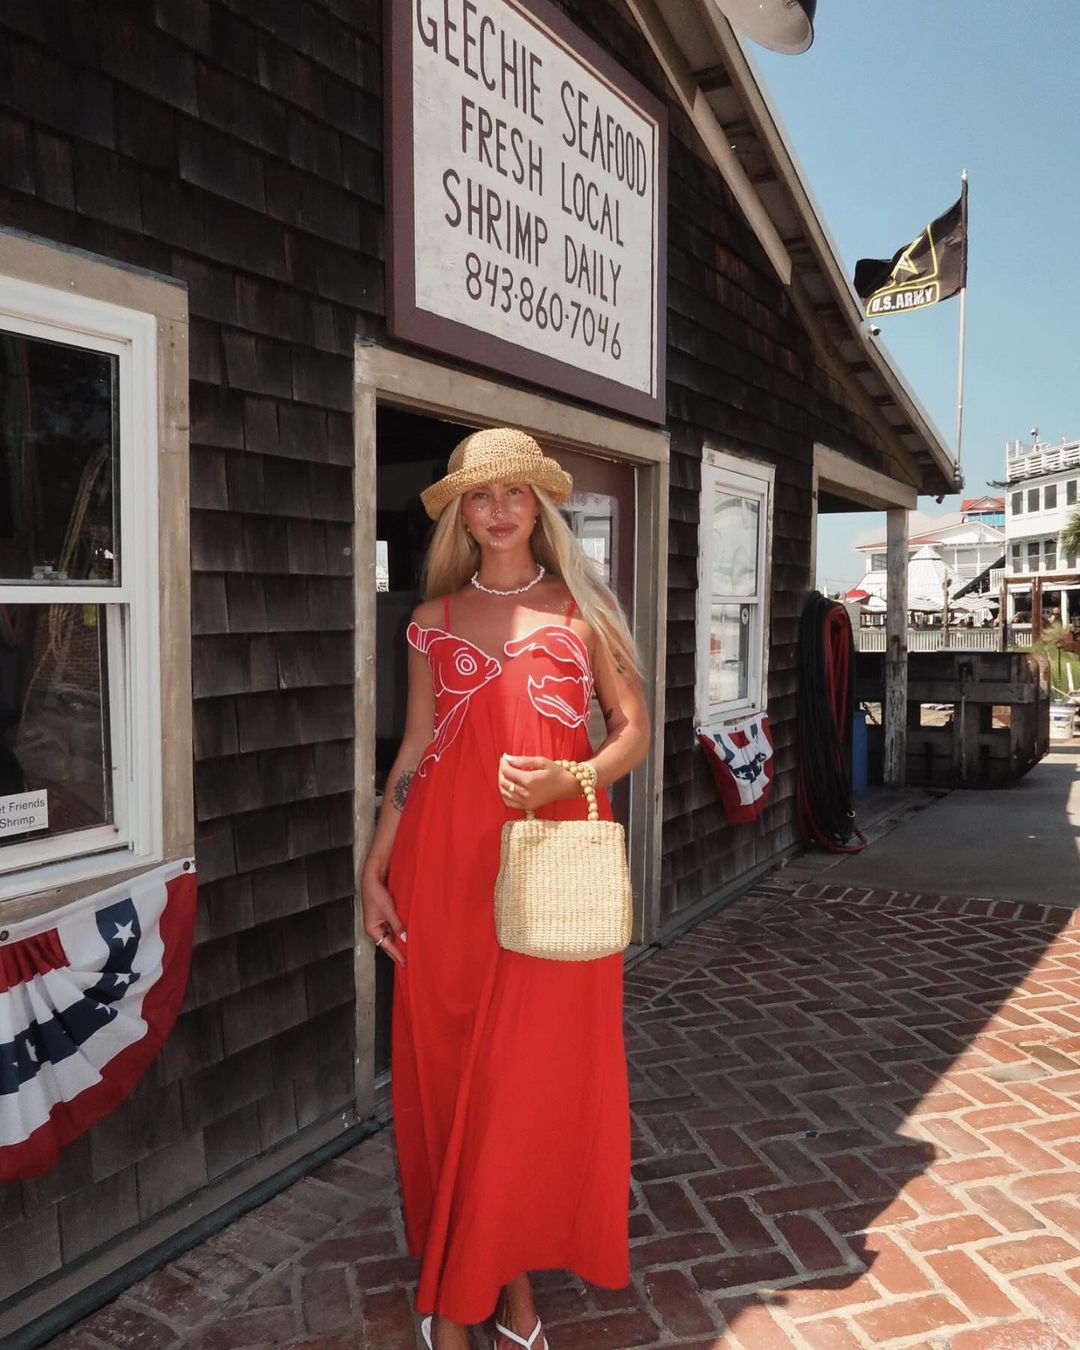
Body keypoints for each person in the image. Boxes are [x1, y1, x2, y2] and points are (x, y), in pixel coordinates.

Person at [360, 427, 651, 1350]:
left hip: (550, 869)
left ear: (539, 504)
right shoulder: (430, 620)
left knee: (523, 1084)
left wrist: (577, 780)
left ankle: (464, 1296)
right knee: (452, 1080)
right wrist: (376, 864)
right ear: (460, 512)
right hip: (442, 869)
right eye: (480, 496)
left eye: (515, 493)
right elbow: (413, 751)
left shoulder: (581, 611)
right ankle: (497, 1293)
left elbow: (635, 729)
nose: (498, 510)